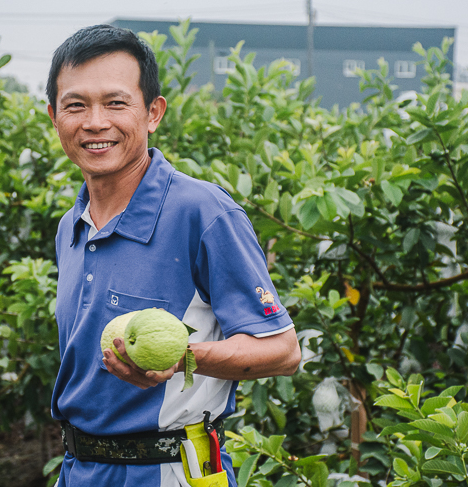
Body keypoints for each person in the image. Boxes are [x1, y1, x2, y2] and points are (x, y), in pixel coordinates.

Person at [47, 24, 301, 487]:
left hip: (169, 471)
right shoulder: (71, 226)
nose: (95, 122)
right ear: (54, 116)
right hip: (80, 469)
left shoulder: (203, 213)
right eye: (76, 105)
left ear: (153, 113)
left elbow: (282, 351)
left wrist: (184, 357)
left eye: (116, 103)